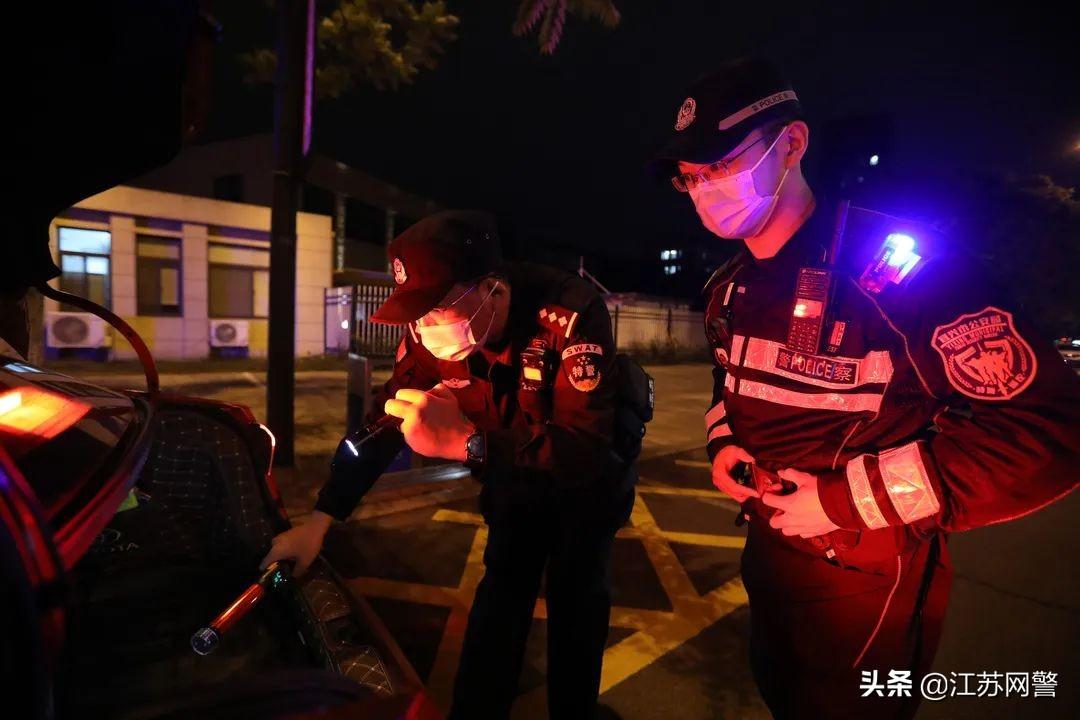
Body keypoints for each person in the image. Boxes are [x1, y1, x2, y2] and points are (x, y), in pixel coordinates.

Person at [649, 57, 1080, 719]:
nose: (705, 189)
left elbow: (1049, 429)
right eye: (691, 176)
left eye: (722, 164)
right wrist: (725, 440)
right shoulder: (728, 288)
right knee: (782, 694)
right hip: (767, 554)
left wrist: (843, 500)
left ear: (792, 143)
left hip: (863, 576)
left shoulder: (899, 268)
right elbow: (727, 376)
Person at [262, 210, 636, 719]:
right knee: (498, 609)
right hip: (513, 489)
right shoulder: (427, 337)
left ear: (492, 289)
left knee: (577, 612)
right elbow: (383, 422)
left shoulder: (567, 311)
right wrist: (320, 521)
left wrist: (469, 445)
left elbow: (584, 447)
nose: (425, 328)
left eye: (437, 309)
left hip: (584, 494)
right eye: (417, 314)